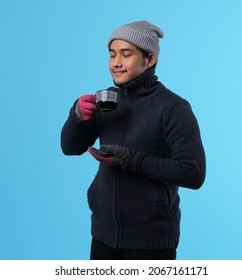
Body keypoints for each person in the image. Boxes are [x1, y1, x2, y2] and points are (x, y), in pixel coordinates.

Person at [60, 20, 206, 260]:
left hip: (151, 242)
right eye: (112, 54)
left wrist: (131, 159)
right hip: (102, 236)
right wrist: (77, 116)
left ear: (150, 60)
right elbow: (69, 148)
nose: (116, 63)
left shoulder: (173, 108)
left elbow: (194, 173)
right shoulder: (106, 99)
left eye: (126, 54)